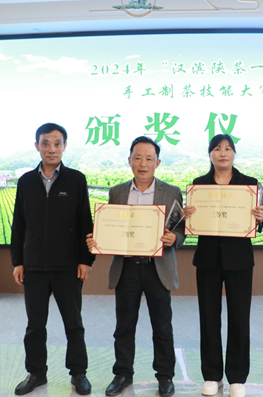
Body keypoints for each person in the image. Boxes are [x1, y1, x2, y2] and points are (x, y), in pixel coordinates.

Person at [86, 136, 185, 397]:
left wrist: (175, 239)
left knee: (162, 326)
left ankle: (165, 376)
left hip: (158, 268)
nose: (143, 164)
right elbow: (110, 227)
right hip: (127, 267)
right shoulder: (117, 192)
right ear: (129, 160)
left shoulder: (171, 192)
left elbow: (181, 230)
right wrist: (98, 239)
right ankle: (122, 374)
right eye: (138, 158)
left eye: (149, 159)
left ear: (157, 163)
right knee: (124, 326)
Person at [10, 123, 94, 396]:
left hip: (68, 266)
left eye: (57, 143)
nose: (51, 149)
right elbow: (18, 224)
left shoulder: (76, 179)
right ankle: (36, 373)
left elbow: (85, 222)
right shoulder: (26, 181)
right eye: (45, 143)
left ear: (65, 146)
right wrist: (17, 261)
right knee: (35, 325)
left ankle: (78, 373)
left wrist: (86, 260)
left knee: (74, 324)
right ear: (37, 146)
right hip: (33, 266)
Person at [182, 135, 263, 397]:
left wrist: (260, 217)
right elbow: (190, 223)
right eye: (217, 149)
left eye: (228, 148)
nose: (223, 153)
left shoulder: (249, 184)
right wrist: (187, 216)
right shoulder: (199, 185)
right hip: (208, 258)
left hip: (239, 260)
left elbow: (259, 223)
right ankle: (212, 375)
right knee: (208, 317)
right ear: (210, 154)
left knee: (239, 317)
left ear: (234, 154)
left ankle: (237, 378)